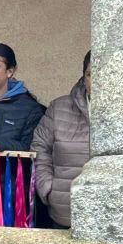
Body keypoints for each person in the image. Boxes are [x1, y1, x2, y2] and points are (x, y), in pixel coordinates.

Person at [31, 51, 91, 229]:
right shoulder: (59, 108)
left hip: (113, 216)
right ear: (83, 77)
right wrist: (48, 188)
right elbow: (40, 148)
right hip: (64, 212)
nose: (98, 81)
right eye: (91, 74)